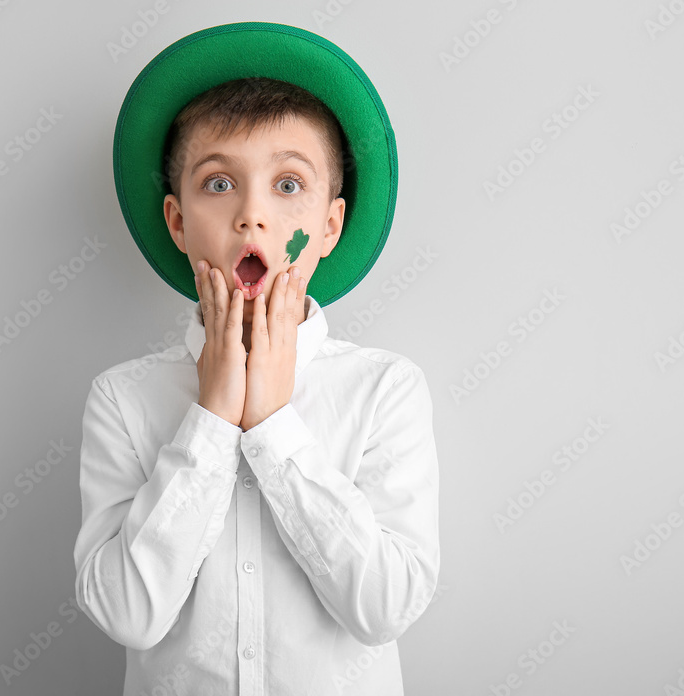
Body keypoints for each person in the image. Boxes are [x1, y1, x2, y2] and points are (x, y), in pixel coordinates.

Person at [74, 21, 440, 695]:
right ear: (177, 221)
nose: (252, 216)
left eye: (288, 185)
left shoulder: (385, 389)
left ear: (329, 226)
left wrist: (273, 424)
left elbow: (385, 608)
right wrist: (212, 418)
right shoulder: (122, 400)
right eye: (219, 184)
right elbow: (127, 613)